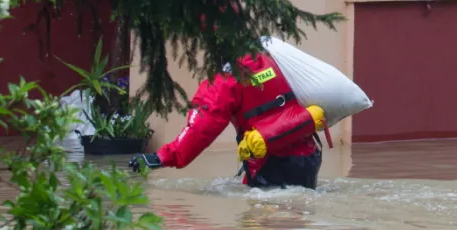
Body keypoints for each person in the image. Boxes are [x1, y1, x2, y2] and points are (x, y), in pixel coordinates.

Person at [128, 49, 329, 189]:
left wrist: (160, 158)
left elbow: (200, 130)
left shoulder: (225, 82)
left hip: (270, 165)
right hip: (309, 157)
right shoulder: (273, 59)